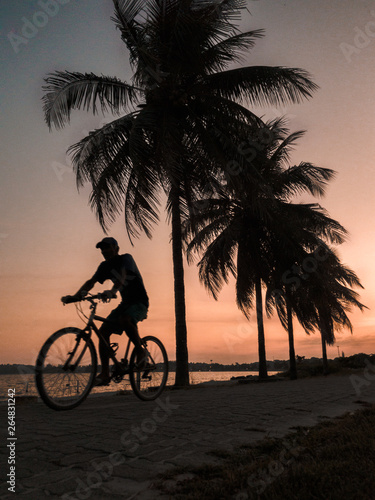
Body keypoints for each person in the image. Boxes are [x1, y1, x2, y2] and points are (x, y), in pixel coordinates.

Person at [62, 237, 149, 386]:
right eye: (102, 249)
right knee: (103, 333)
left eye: (108, 248)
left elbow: (122, 276)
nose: (105, 251)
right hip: (125, 303)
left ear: (116, 249)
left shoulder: (126, 259)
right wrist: (75, 297)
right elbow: (91, 282)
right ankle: (104, 374)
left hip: (139, 302)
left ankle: (140, 351)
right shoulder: (104, 266)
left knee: (125, 319)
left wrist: (112, 291)